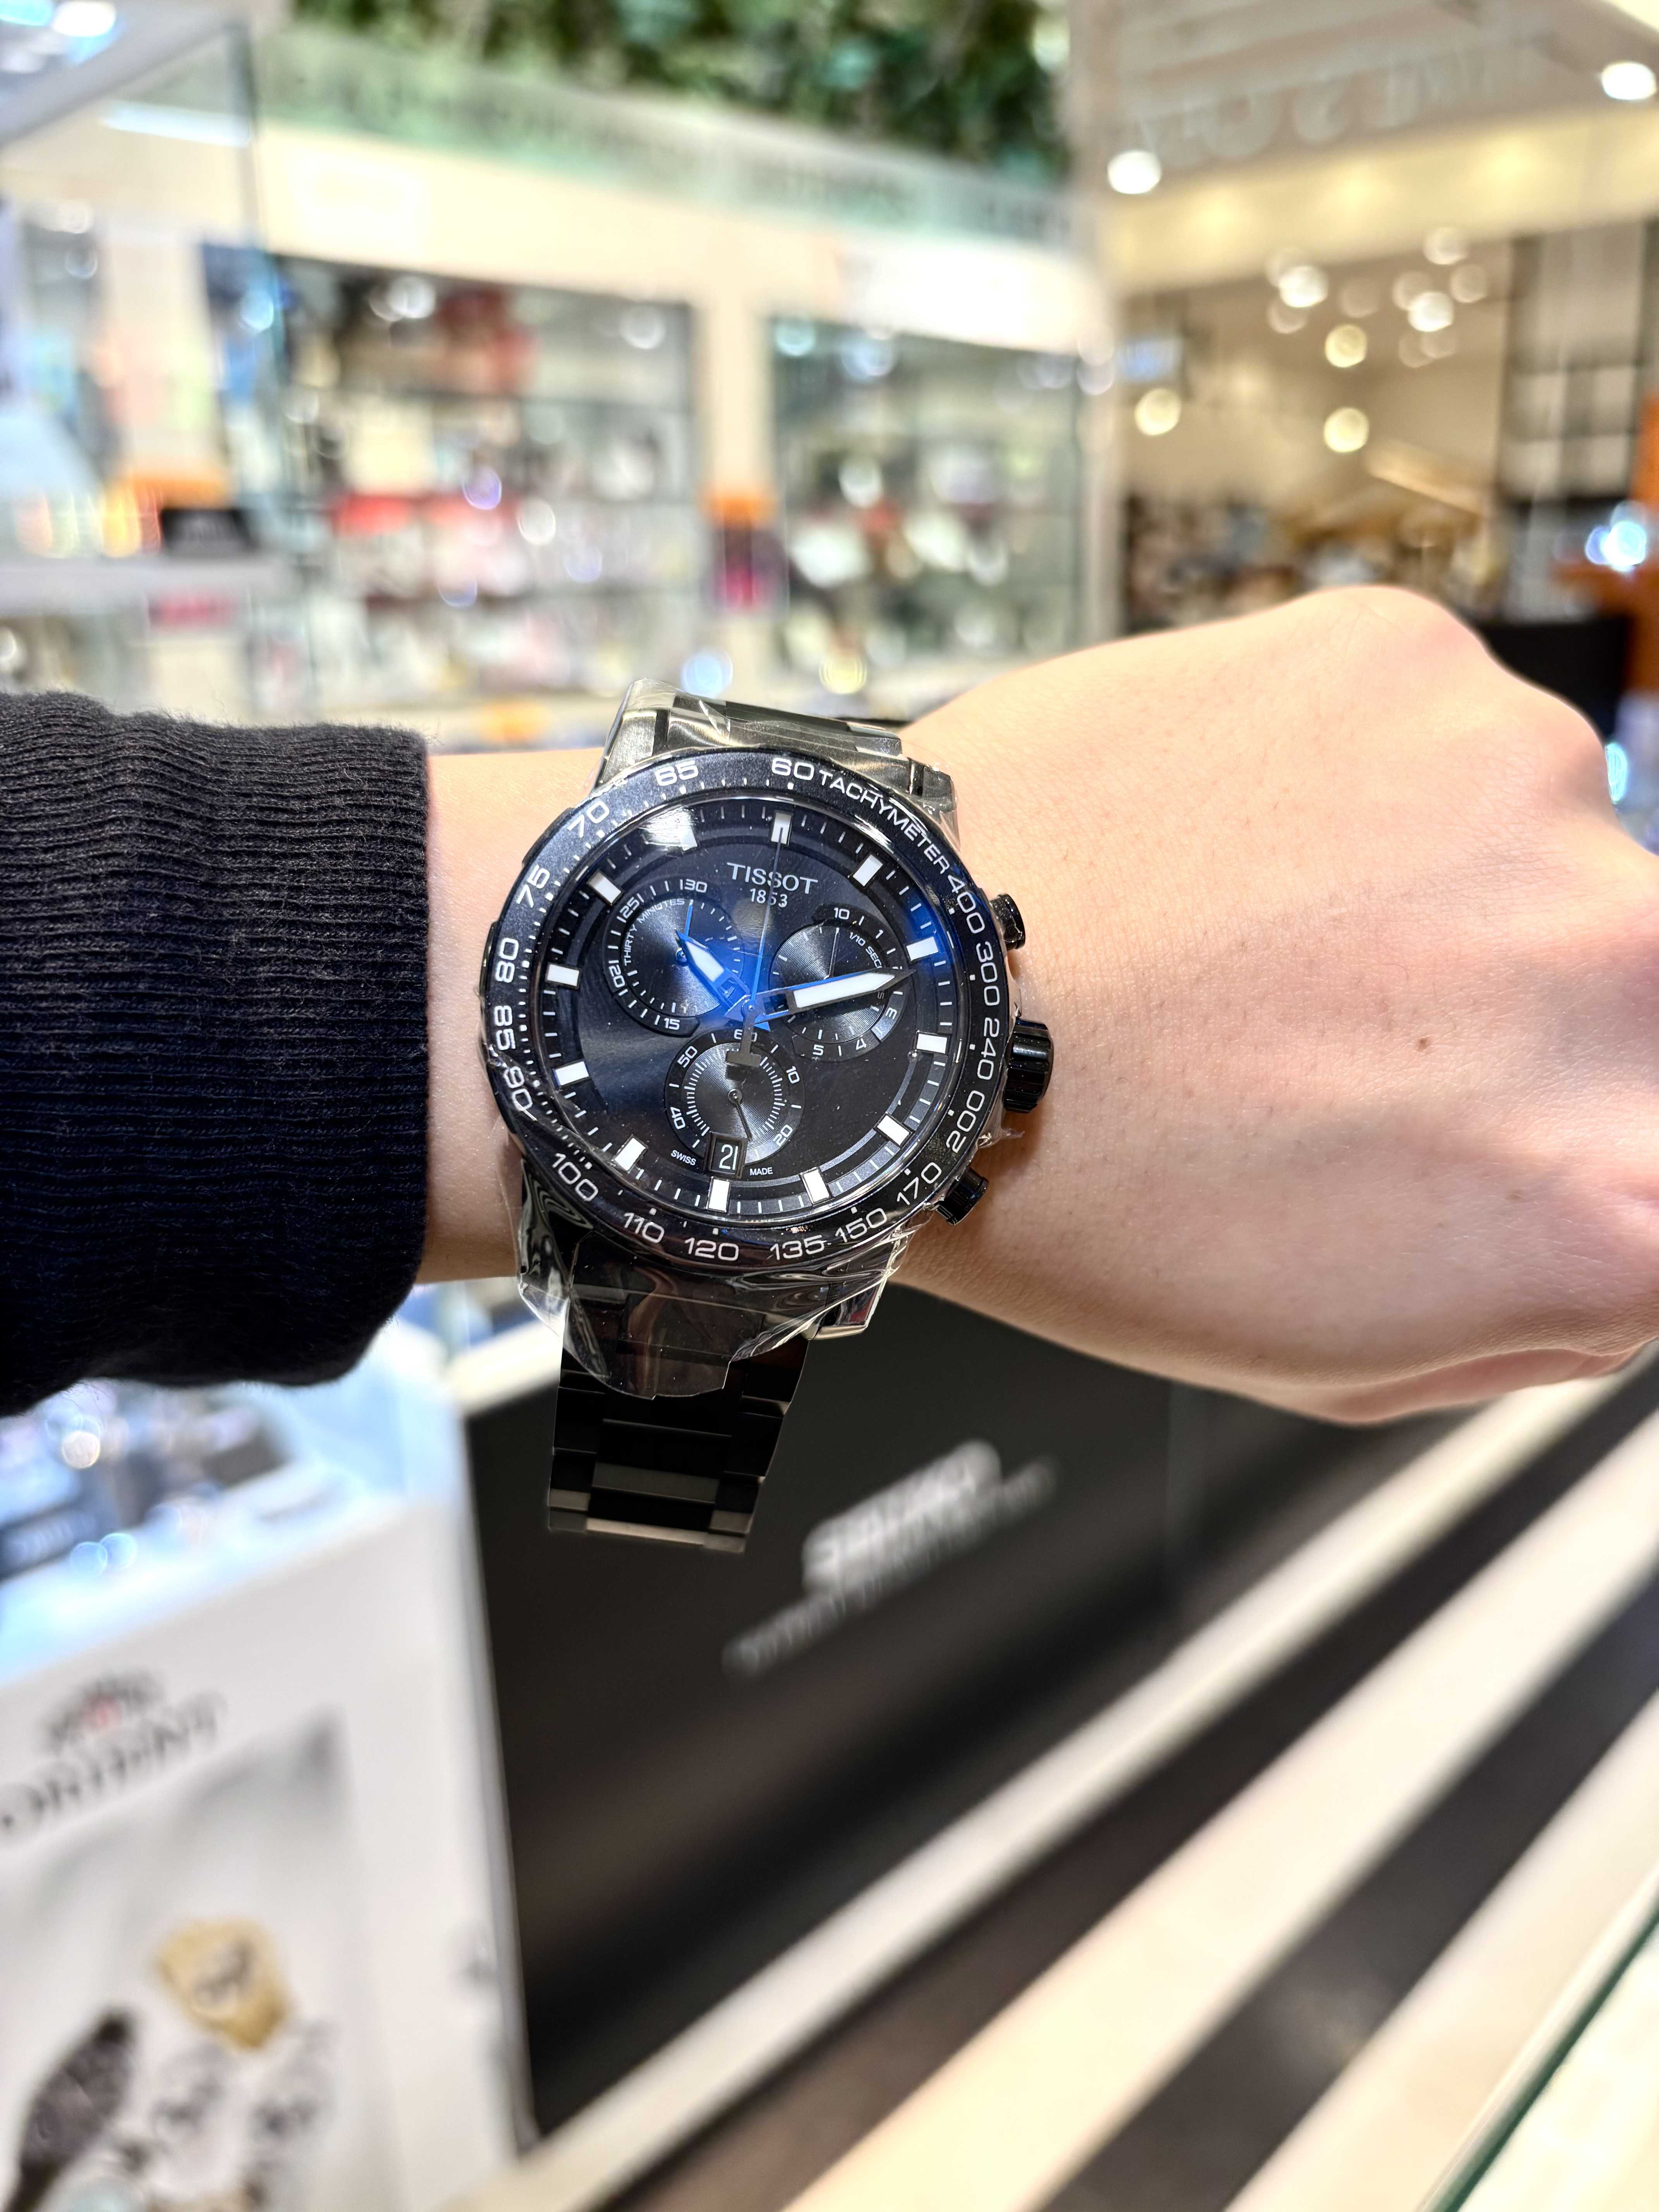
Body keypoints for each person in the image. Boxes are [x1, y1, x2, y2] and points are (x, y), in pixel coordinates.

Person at [3, 587, 1652, 1423]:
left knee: (661, 1473)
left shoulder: (936, 1092)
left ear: (994, 1081)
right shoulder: (654, 904)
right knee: (656, 1471)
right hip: (647, 1125)